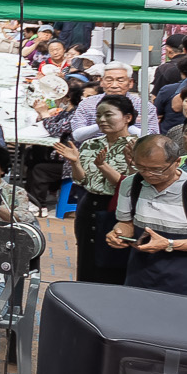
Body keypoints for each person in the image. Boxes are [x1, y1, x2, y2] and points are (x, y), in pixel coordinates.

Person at [107, 134, 187, 301]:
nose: (148, 174)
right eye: (141, 167)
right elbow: (126, 222)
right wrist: (118, 233)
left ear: (176, 162)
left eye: (157, 169)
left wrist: (170, 244)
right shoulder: (131, 184)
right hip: (141, 276)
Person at [57, 92, 139, 285]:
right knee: (86, 257)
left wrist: (103, 166)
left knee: (112, 261)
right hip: (88, 204)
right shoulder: (91, 144)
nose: (102, 120)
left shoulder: (136, 146)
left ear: (127, 118)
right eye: (98, 115)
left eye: (109, 115)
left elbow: (127, 184)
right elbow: (82, 180)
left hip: (117, 208)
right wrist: (76, 163)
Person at [71, 63, 158, 140]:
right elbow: (77, 135)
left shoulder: (145, 107)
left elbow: (152, 138)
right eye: (109, 80)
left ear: (130, 83)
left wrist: (125, 124)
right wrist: (103, 123)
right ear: (101, 82)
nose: (114, 85)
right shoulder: (87, 104)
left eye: (120, 80)